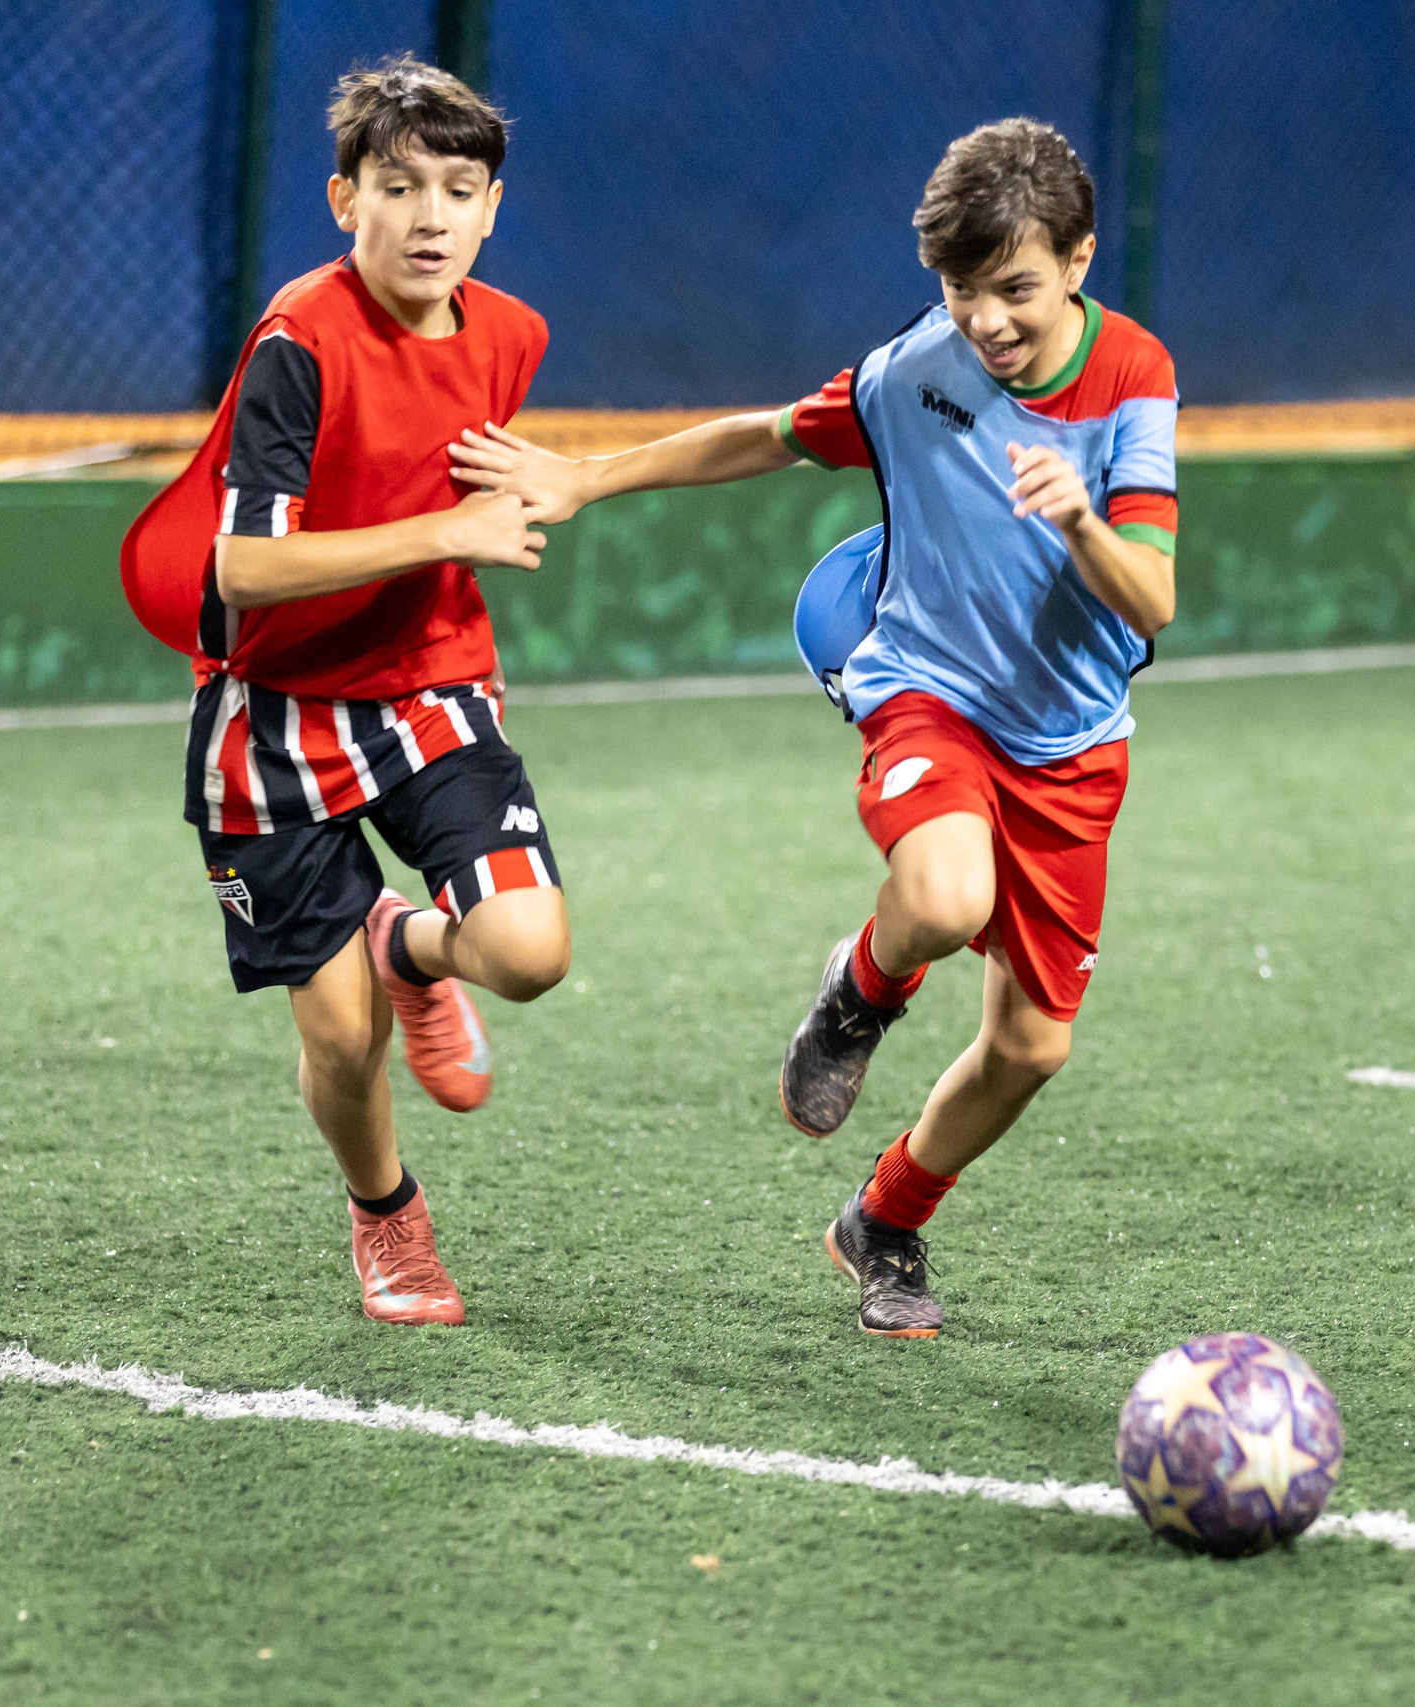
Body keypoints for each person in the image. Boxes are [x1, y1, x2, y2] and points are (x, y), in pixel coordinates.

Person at [449, 119, 1179, 1338]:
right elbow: (771, 434)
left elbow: (1152, 598)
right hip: (926, 691)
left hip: (1072, 741)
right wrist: (588, 476)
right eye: (961, 289)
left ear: (1078, 261)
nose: (986, 319)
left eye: (1014, 289)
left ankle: (883, 1221)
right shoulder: (913, 372)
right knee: (944, 895)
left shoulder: (1133, 379)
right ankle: (861, 992)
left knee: (1030, 1051)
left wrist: (1079, 523)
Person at [118, 57, 566, 1325]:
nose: (429, 217)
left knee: (528, 953)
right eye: (398, 186)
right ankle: (388, 1219)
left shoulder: (514, 337)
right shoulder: (297, 343)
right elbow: (244, 568)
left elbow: (458, 474)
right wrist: (447, 534)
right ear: (343, 199)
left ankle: (403, 943)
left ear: (492, 210)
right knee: (343, 1039)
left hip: (429, 688)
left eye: (459, 191)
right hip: (271, 723)